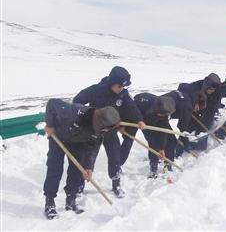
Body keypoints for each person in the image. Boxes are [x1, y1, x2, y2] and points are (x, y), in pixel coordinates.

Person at [73, 66, 145, 197]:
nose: (121, 89)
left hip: (110, 131)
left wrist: (139, 119)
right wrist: (88, 116)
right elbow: (77, 101)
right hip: (93, 131)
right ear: (112, 82)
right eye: (119, 86)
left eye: (123, 87)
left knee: (115, 157)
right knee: (88, 158)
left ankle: (116, 184)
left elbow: (131, 107)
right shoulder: (95, 90)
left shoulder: (123, 94)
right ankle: (79, 185)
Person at [43, 98, 120, 219]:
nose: (103, 131)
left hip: (79, 143)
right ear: (99, 121)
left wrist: (88, 167)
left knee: (77, 170)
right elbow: (52, 103)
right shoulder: (73, 112)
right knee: (55, 169)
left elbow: (92, 149)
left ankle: (71, 199)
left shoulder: (100, 131)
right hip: (58, 138)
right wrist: (50, 125)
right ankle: (50, 201)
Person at [133, 93, 176, 178]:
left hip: (155, 117)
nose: (164, 116)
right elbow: (132, 111)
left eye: (165, 115)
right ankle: (153, 169)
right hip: (143, 121)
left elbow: (163, 131)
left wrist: (162, 148)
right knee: (153, 144)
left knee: (172, 139)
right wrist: (139, 120)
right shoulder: (143, 104)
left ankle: (168, 165)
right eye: (162, 114)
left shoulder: (164, 109)